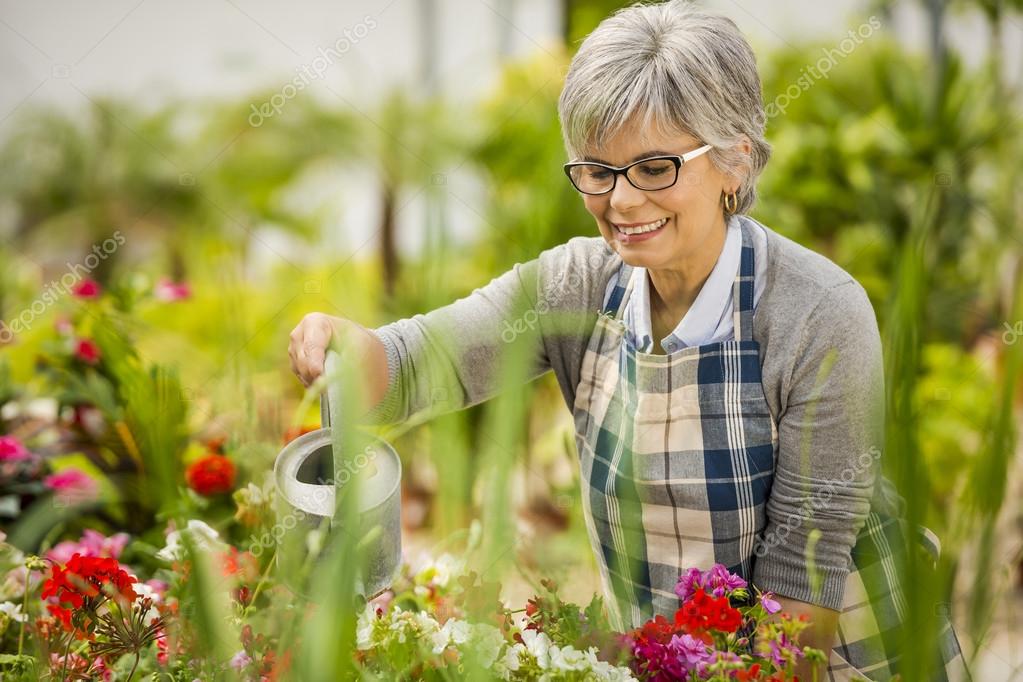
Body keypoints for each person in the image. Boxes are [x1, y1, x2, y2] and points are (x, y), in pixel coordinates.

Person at [289, 2, 968, 679]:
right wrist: (347, 350)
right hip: (680, 659)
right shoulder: (576, 288)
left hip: (844, 650)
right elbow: (417, 365)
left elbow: (798, 606)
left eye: (654, 168)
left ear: (733, 159)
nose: (621, 202)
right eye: (597, 170)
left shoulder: (815, 314)